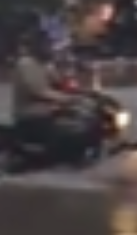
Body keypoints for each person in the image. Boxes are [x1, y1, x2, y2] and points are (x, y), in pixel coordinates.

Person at [12, 31, 87, 161]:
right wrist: (67, 99)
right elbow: (39, 91)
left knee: (81, 117)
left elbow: (59, 82)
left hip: (48, 110)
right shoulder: (26, 64)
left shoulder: (46, 64)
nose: (49, 48)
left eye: (50, 45)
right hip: (30, 113)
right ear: (36, 46)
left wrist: (77, 88)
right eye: (46, 45)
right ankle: (52, 158)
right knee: (66, 127)